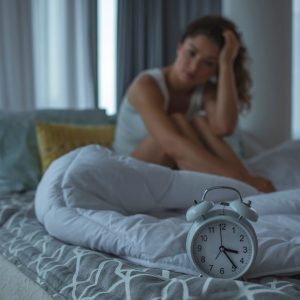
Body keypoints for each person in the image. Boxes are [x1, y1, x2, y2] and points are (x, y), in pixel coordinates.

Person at [113, 15, 275, 193]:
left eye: (208, 63)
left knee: (199, 122)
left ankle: (245, 186)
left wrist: (226, 63)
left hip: (170, 168)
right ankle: (247, 186)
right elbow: (170, 144)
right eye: (191, 53)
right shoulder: (146, 85)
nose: (194, 67)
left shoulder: (204, 90)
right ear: (179, 47)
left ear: (216, 69)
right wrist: (246, 180)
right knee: (175, 123)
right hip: (129, 170)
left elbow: (224, 128)